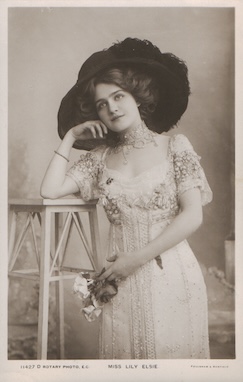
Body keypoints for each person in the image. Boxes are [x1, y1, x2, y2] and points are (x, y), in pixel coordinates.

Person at [41, 37, 213, 359]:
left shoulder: (175, 147)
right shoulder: (99, 159)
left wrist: (135, 260)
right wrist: (70, 137)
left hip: (172, 278)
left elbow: (193, 216)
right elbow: (49, 190)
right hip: (120, 287)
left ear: (138, 96)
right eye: (102, 104)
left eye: (118, 96)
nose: (112, 108)